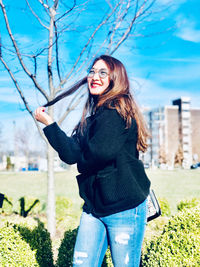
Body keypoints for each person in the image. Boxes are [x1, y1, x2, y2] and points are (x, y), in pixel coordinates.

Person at [34, 55, 151, 267]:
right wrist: (50, 124)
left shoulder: (118, 111)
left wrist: (81, 156)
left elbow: (99, 153)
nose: (95, 77)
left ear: (116, 78)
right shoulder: (91, 121)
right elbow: (70, 155)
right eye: (92, 71)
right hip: (94, 208)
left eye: (102, 73)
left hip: (124, 207)